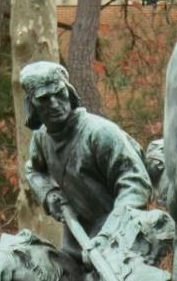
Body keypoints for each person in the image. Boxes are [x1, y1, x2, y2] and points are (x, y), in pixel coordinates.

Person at [19, 60, 156, 259]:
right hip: (77, 242)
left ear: (69, 92)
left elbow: (136, 185)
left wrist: (108, 235)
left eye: (59, 94)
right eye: (44, 99)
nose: (55, 104)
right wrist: (49, 194)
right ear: (32, 105)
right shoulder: (41, 138)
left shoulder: (100, 133)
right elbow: (34, 170)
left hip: (123, 240)